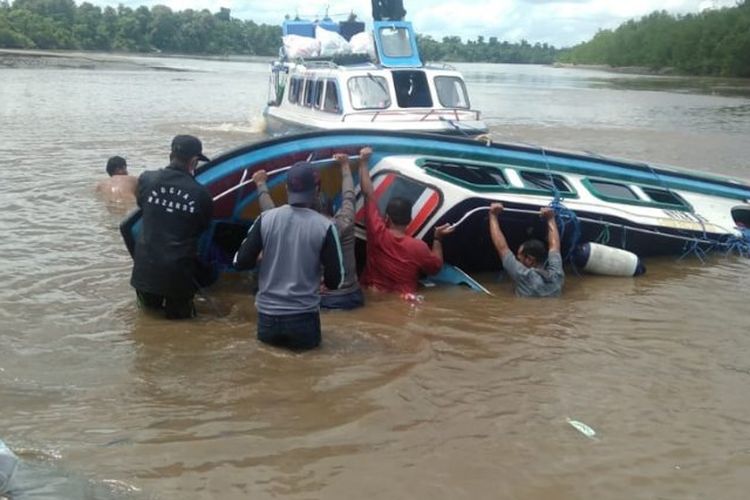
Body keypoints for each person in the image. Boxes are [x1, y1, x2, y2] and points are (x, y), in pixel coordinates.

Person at [233, 161, 345, 350]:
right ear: (317, 190)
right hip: (303, 318)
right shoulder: (326, 227)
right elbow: (336, 281)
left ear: (286, 187)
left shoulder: (266, 219)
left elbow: (240, 262)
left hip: (267, 317)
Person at [253, 153, 364, 310]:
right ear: (332, 210)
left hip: (322, 300)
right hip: (352, 296)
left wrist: (260, 184)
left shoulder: (304, 228)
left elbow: (270, 211)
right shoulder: (345, 221)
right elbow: (349, 197)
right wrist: (345, 166)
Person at [129, 135, 213, 319]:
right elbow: (202, 228)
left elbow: (143, 207)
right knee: (180, 327)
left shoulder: (146, 179)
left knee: (147, 320)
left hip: (145, 270)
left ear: (170, 155)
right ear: (193, 161)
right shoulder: (201, 194)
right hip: (178, 275)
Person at [358, 147, 454, 294]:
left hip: (373, 292)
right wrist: (437, 239)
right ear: (409, 220)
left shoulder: (378, 233)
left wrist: (363, 163)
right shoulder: (419, 248)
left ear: (387, 218)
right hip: (403, 300)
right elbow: (436, 268)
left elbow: (368, 194)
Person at [488, 202, 564, 297]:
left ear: (530, 260)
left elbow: (502, 248)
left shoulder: (524, 276)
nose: (517, 261)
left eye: (519, 259)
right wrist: (551, 219)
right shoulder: (557, 275)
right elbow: (554, 246)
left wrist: (493, 216)